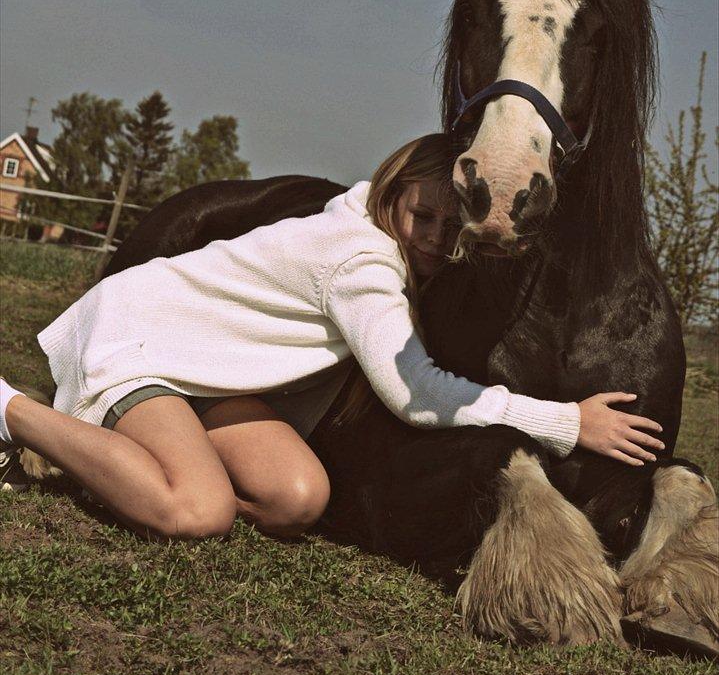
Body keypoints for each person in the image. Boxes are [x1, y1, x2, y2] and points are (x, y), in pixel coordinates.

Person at [0, 134, 664, 539]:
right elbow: (413, 392)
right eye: (421, 215)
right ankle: (12, 411)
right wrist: (564, 423)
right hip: (142, 340)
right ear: (391, 197)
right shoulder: (363, 264)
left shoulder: (386, 246)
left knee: (296, 500)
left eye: (449, 222)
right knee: (196, 513)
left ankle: (137, 466)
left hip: (210, 369)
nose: (435, 236)